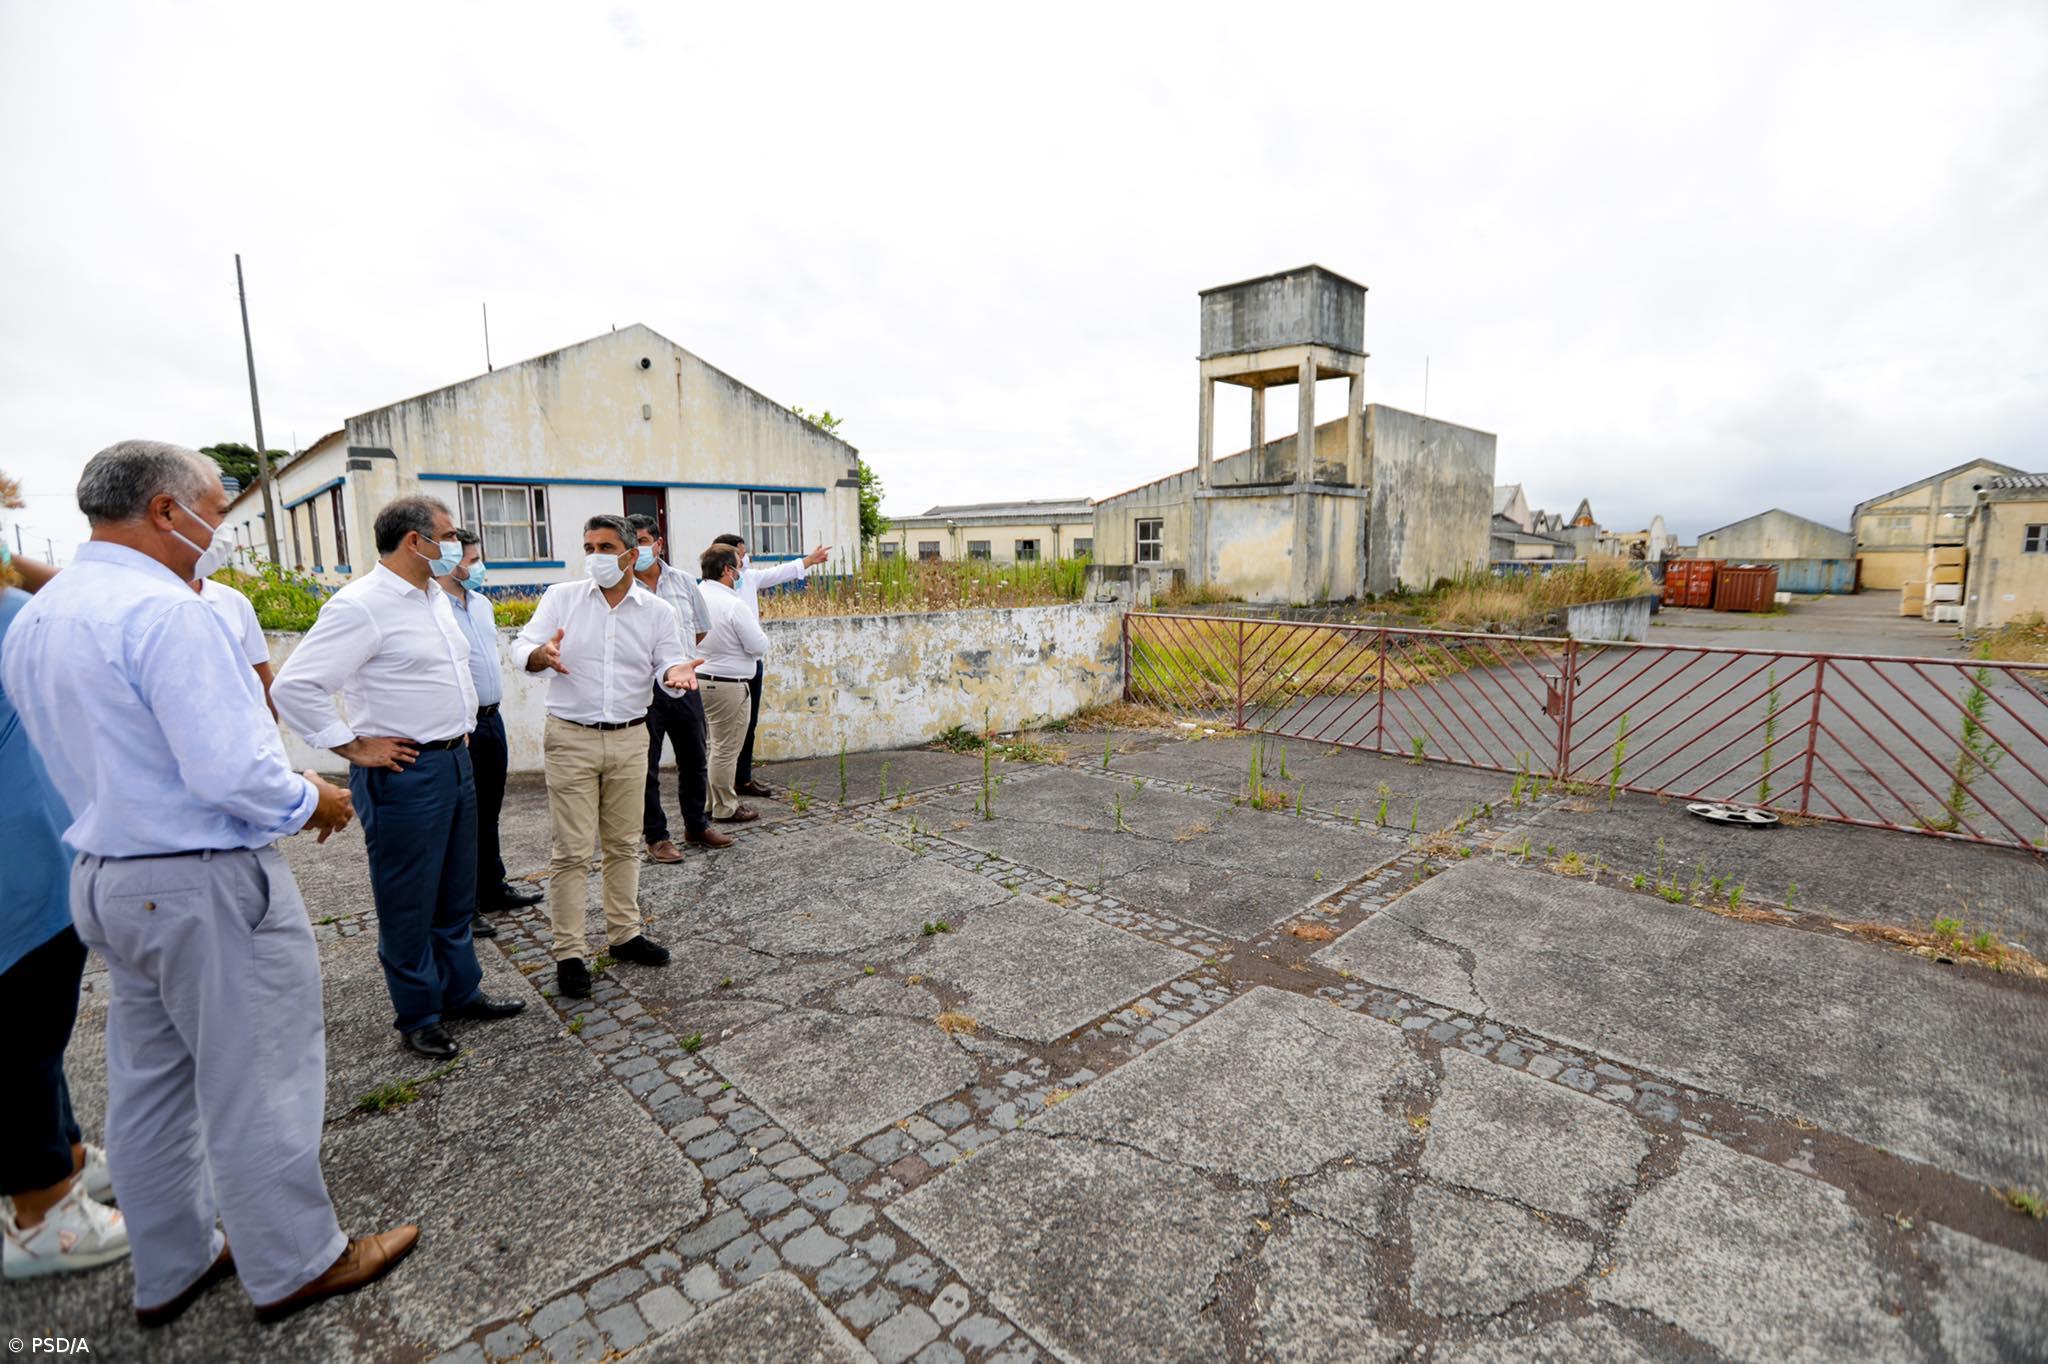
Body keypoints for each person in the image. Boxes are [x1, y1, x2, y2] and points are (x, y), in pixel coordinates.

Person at [3, 440, 413, 1324]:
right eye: (216, 513)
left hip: (108, 875)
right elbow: (233, 773)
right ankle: (296, 1260)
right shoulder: (167, 613)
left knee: (150, 1081)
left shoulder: (40, 614)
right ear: (165, 509)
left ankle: (173, 1262)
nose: (219, 531)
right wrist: (314, 798)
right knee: (259, 1076)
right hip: (199, 879)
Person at [274, 496, 526, 1062]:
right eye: (448, 536)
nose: (456, 546)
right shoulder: (361, 605)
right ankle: (420, 1014)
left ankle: (461, 991)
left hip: (455, 760)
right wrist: (351, 745)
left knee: (455, 893)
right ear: (416, 541)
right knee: (409, 899)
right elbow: (295, 686)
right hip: (407, 772)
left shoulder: (435, 597)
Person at [1, 543, 129, 1282]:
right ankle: (41, 1214)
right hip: (14, 869)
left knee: (40, 1033)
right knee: (20, 1033)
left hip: (44, 853)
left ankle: (65, 1159)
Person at [513, 515, 700, 999]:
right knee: (572, 851)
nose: (595, 555)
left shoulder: (657, 611)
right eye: (589, 546)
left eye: (606, 547)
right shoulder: (562, 597)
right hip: (570, 737)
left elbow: (668, 662)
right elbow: (523, 645)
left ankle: (624, 934)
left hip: (631, 737)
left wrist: (676, 675)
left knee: (623, 843)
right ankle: (569, 952)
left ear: (631, 554)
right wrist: (539, 656)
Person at [438, 529, 543, 938]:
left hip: (491, 719)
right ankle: (463, 905)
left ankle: (492, 887)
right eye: (472, 560)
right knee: (462, 818)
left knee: (489, 811)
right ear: (452, 562)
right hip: (460, 727)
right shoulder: (434, 607)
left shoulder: (480, 604)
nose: (480, 567)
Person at [627, 513, 730, 859]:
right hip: (643, 690)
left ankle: (697, 826)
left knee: (695, 758)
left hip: (685, 685)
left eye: (643, 541)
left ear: (659, 544)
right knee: (647, 767)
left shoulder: (684, 583)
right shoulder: (622, 587)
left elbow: (700, 629)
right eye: (632, 542)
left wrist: (679, 662)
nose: (637, 548)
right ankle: (656, 836)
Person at [708, 532, 830, 797]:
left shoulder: (748, 579)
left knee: (748, 725)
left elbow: (779, 573)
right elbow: (755, 643)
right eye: (741, 555)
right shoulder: (710, 593)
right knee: (721, 737)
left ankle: (742, 779)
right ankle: (721, 791)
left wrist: (810, 560)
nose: (745, 560)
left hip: (749, 666)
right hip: (725, 671)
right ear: (727, 561)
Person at [695, 544, 773, 826]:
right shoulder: (733, 604)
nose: (741, 573)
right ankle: (726, 806)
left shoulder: (697, 596)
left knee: (712, 746)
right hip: (729, 685)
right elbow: (758, 645)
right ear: (727, 570)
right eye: (739, 567)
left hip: (701, 678)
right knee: (726, 749)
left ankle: (710, 803)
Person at [193, 573, 278, 718]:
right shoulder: (154, 604)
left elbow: (261, 672)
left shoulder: (233, 601)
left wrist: (271, 724)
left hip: (238, 723)